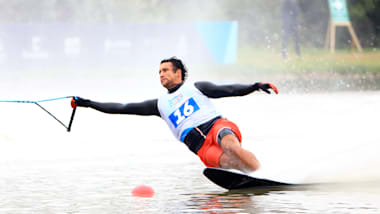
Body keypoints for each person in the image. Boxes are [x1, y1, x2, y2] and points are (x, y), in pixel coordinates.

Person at [72, 57, 278, 173]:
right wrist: (89, 104)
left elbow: (229, 89)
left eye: (165, 70)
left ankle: (265, 175)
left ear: (178, 72)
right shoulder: (159, 105)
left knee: (231, 147)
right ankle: (256, 177)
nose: (161, 74)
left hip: (216, 127)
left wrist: (254, 86)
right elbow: (122, 107)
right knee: (230, 163)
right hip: (200, 147)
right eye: (159, 72)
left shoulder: (196, 88)